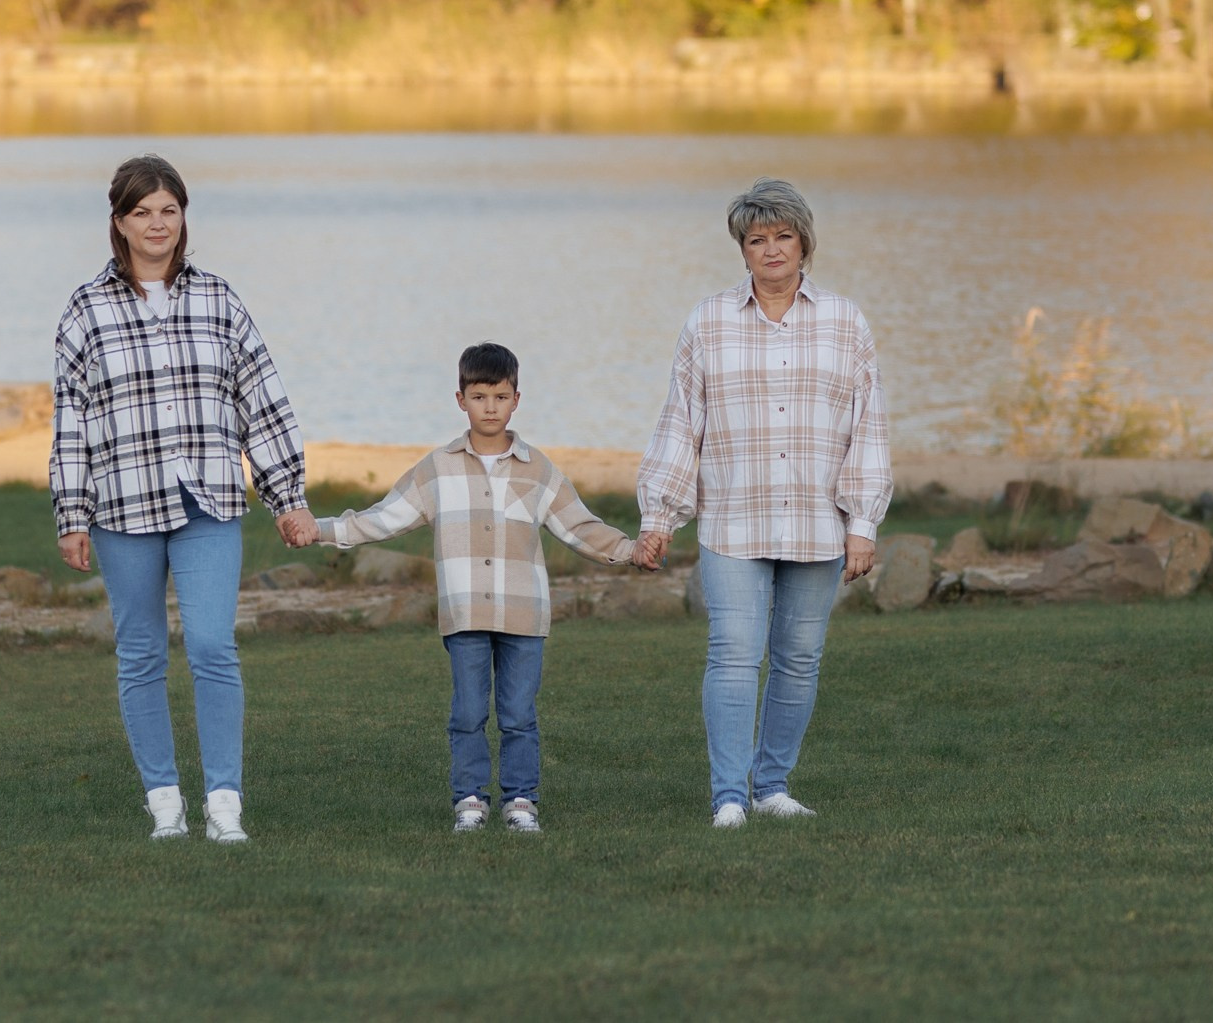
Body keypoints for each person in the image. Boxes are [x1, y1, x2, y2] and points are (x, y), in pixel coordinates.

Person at [50, 154, 319, 845]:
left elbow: (262, 398)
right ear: (118, 221)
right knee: (140, 652)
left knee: (209, 643)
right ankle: (164, 803)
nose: (157, 223)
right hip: (121, 507)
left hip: (208, 500)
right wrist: (70, 514)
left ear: (183, 216)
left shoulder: (219, 299)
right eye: (142, 211)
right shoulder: (86, 310)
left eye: (168, 209)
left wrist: (286, 494)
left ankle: (224, 803)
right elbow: (71, 421)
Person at [636, 177, 891, 829]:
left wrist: (861, 523)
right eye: (756, 239)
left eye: (782, 236)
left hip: (817, 524)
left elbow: (869, 427)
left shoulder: (845, 321)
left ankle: (771, 785)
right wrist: (658, 514)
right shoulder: (707, 320)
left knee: (799, 656)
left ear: (804, 241)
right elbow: (679, 421)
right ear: (741, 249)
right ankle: (728, 794)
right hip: (732, 519)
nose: (771, 249)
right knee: (732, 652)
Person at [315, 343, 641, 834]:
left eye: (500, 396)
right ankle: (469, 800)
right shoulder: (437, 468)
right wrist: (318, 528)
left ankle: (521, 801)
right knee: (467, 712)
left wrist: (631, 550)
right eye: (479, 396)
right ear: (460, 399)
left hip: (524, 615)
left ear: (516, 400)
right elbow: (382, 519)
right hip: (464, 612)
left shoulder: (539, 470)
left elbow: (580, 526)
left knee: (518, 714)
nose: (490, 407)